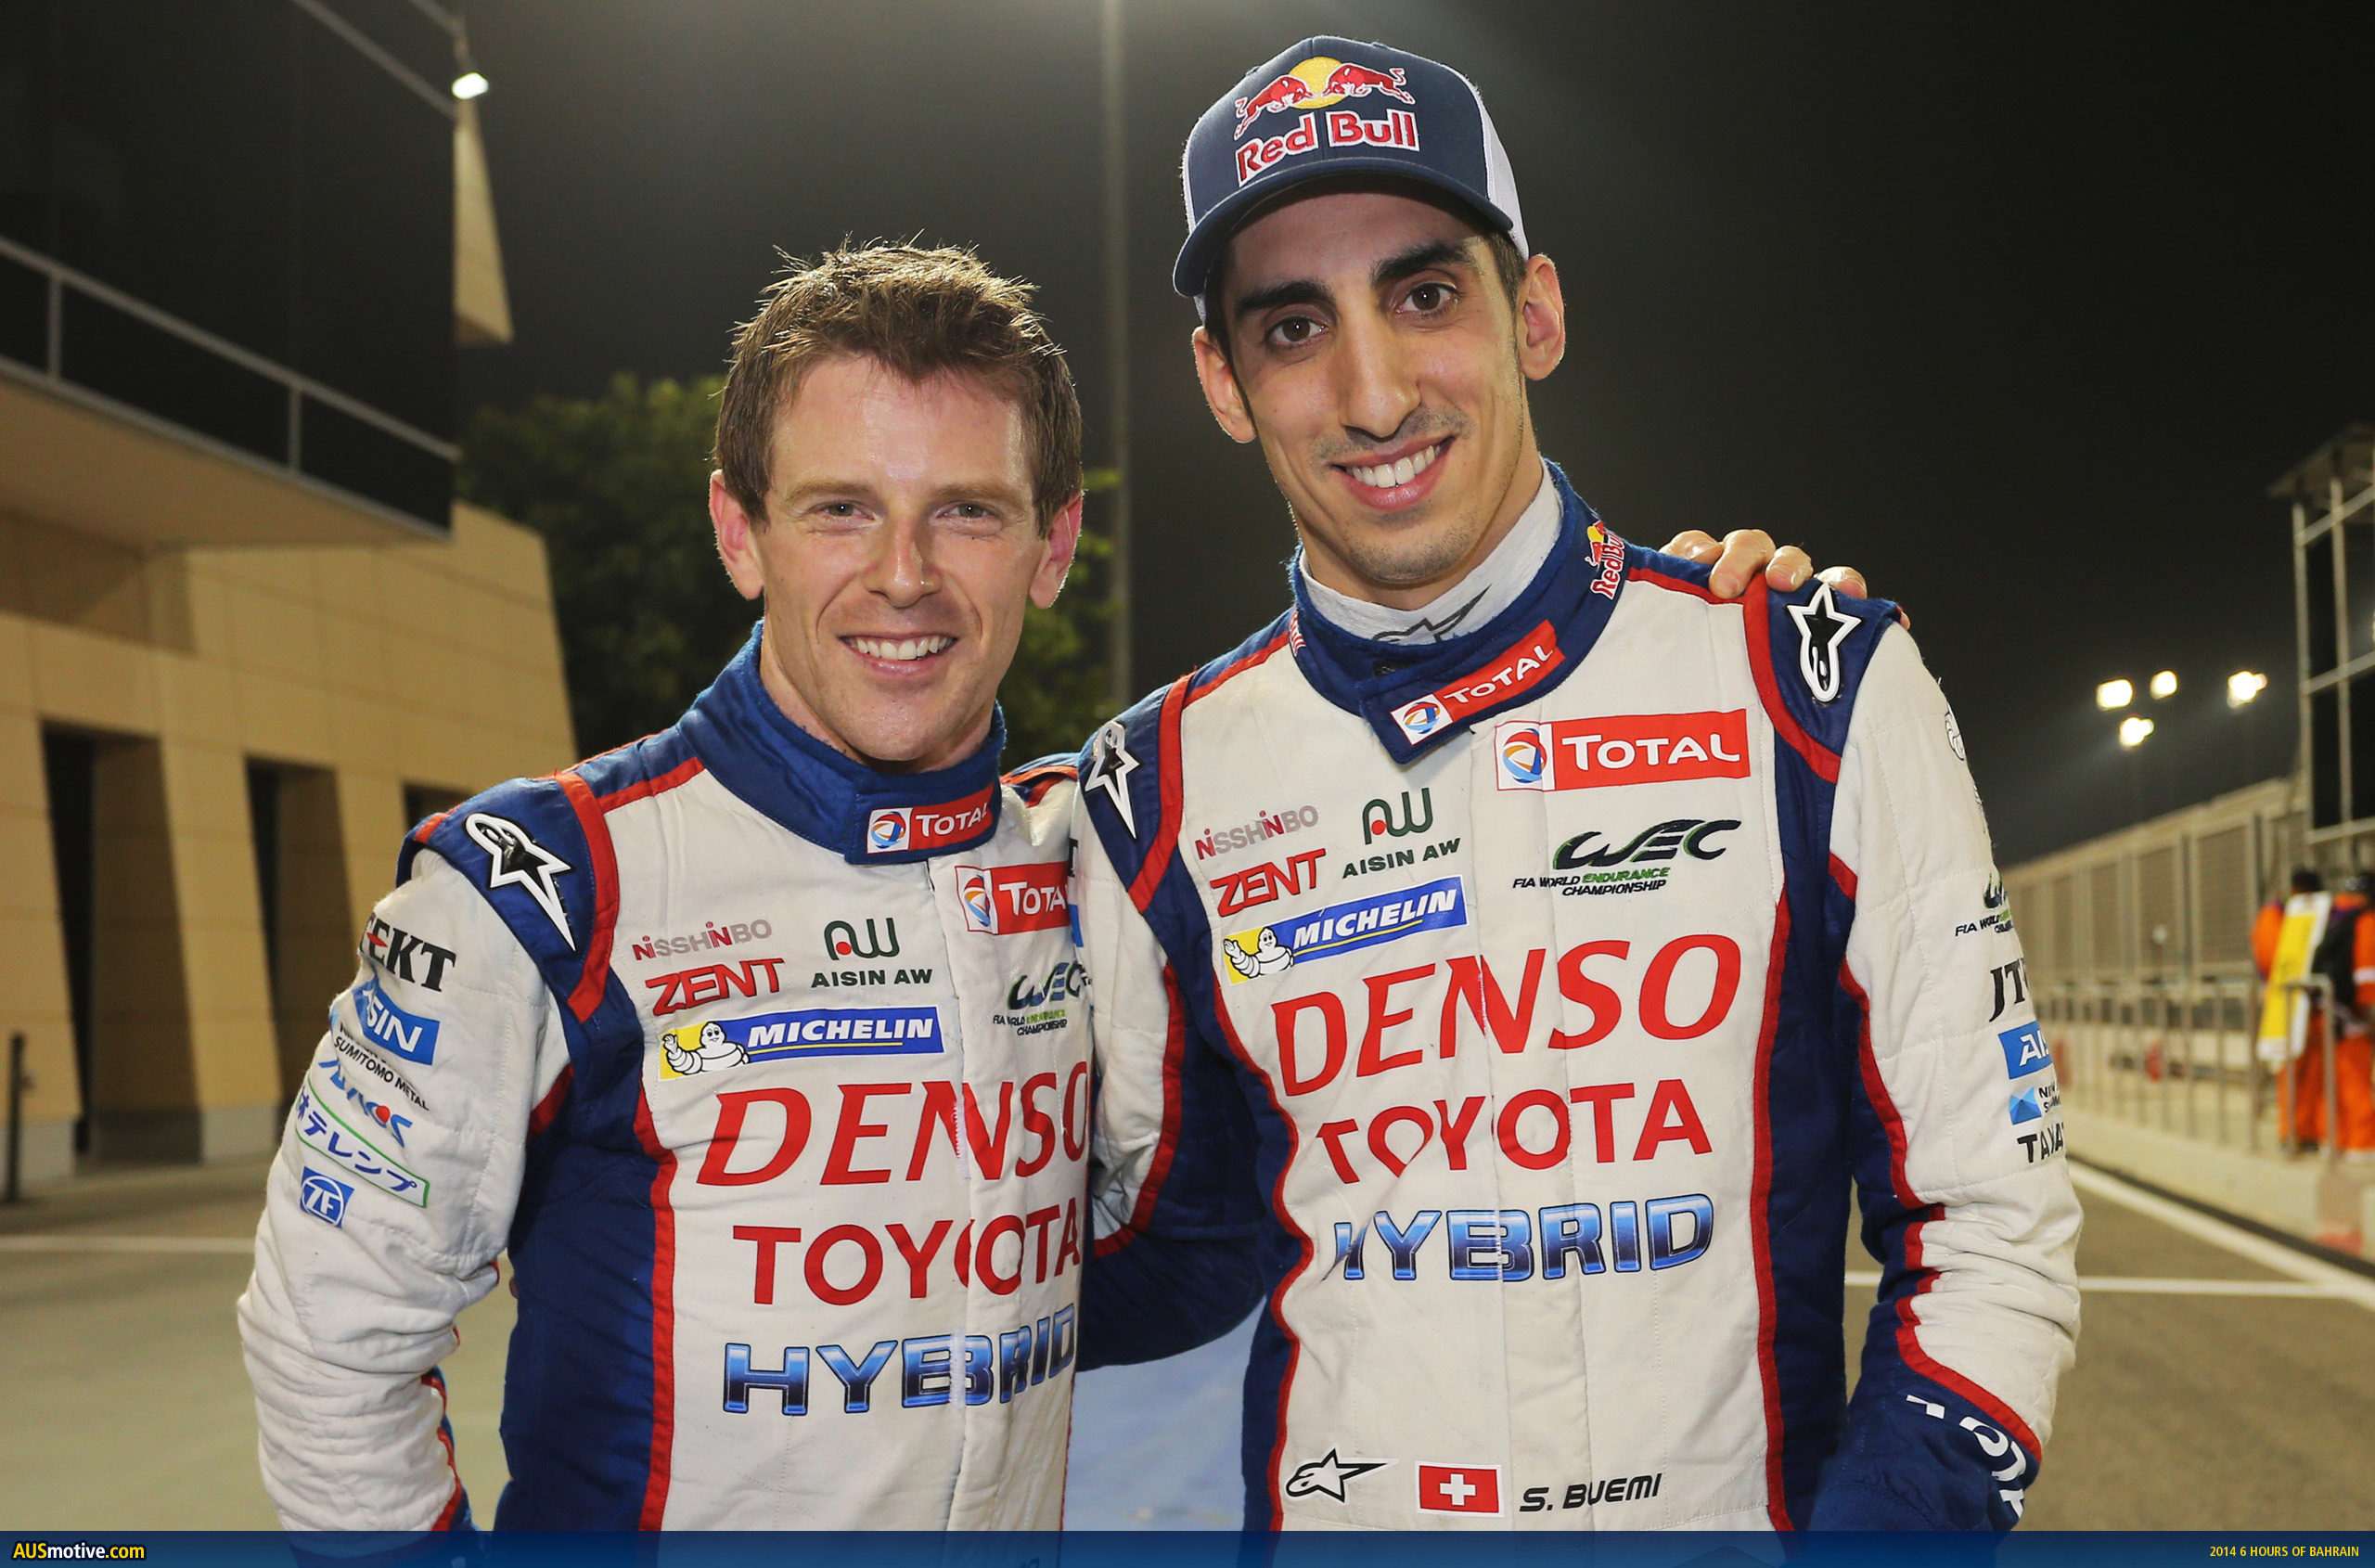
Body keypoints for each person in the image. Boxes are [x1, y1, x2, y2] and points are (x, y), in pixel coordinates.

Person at [235, 241, 1829, 1533]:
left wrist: (1663, 644)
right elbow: (325, 1341)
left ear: (1053, 547)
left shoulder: (1097, 852)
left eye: (969, 513)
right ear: (741, 532)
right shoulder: (539, 886)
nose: (904, 574)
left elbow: (1210, 1216)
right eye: (841, 507)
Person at [1074, 37, 2080, 1534]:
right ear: (1225, 382)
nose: (1373, 393)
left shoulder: (1812, 685)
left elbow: (1991, 1230)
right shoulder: (1149, 790)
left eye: (1426, 296)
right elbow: (1176, 1243)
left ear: (1533, 312)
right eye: (1293, 327)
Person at [2304, 872, 2375, 1154]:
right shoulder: (2365, 921)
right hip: (2351, 1014)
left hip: (2326, 1009)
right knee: (2355, 1077)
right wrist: (2368, 1011)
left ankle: (2332, 1138)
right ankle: (2362, 1142)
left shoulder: (2332, 917)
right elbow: (2367, 974)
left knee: (2331, 1080)